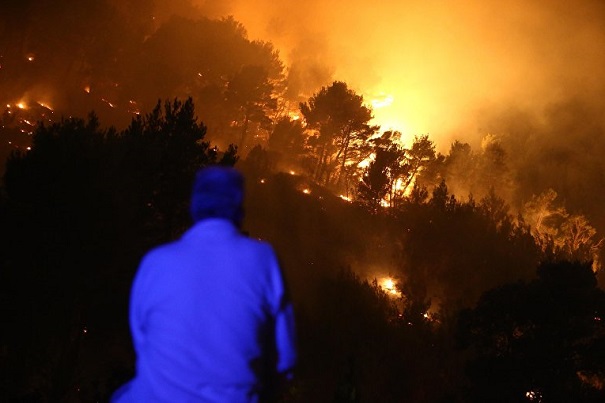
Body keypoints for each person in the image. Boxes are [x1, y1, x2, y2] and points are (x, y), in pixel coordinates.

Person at [111, 166, 296, 402]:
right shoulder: (262, 259)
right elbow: (285, 360)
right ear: (239, 210)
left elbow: (141, 340)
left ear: (193, 207)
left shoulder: (155, 261)